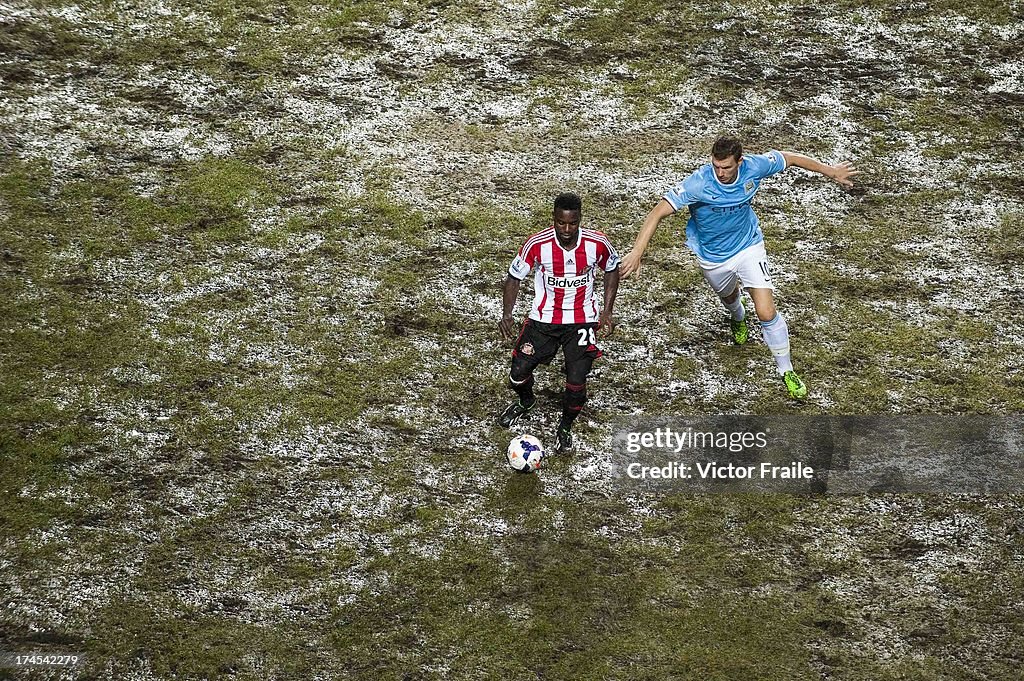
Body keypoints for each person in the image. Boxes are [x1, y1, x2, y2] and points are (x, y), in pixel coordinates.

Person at [619, 135, 858, 399]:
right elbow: (657, 212)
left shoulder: (754, 166)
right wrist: (637, 252)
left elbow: (790, 158)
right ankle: (737, 315)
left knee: (766, 311)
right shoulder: (698, 183)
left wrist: (831, 171)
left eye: (726, 167)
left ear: (739, 162)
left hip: (748, 247)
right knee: (730, 296)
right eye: (716, 166)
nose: (720, 172)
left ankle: (786, 370)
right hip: (713, 257)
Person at [498, 192, 621, 452]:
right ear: (553, 219)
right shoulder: (537, 244)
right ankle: (526, 401)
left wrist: (607, 311)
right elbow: (514, 276)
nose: (566, 229)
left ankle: (565, 428)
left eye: (572, 223)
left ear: (579, 219)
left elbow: (612, 268)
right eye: (561, 223)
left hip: (582, 320)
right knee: (517, 375)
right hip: (543, 319)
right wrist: (507, 314)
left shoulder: (597, 243)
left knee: (576, 381)